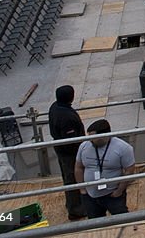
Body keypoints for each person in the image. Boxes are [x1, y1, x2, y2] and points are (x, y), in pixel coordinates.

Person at [74, 119, 135, 219]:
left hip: (113, 195)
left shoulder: (123, 148)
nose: (91, 140)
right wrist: (82, 189)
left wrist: (119, 190)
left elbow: (129, 170)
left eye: (94, 137)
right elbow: (78, 167)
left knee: (122, 220)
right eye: (90, 137)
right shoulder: (84, 146)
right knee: (95, 224)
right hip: (90, 196)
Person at [48, 85, 86, 221]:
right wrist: (82, 150)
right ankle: (75, 209)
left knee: (68, 176)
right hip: (70, 153)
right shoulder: (67, 117)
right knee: (72, 178)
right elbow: (72, 140)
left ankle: (73, 203)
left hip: (61, 148)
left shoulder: (54, 107)